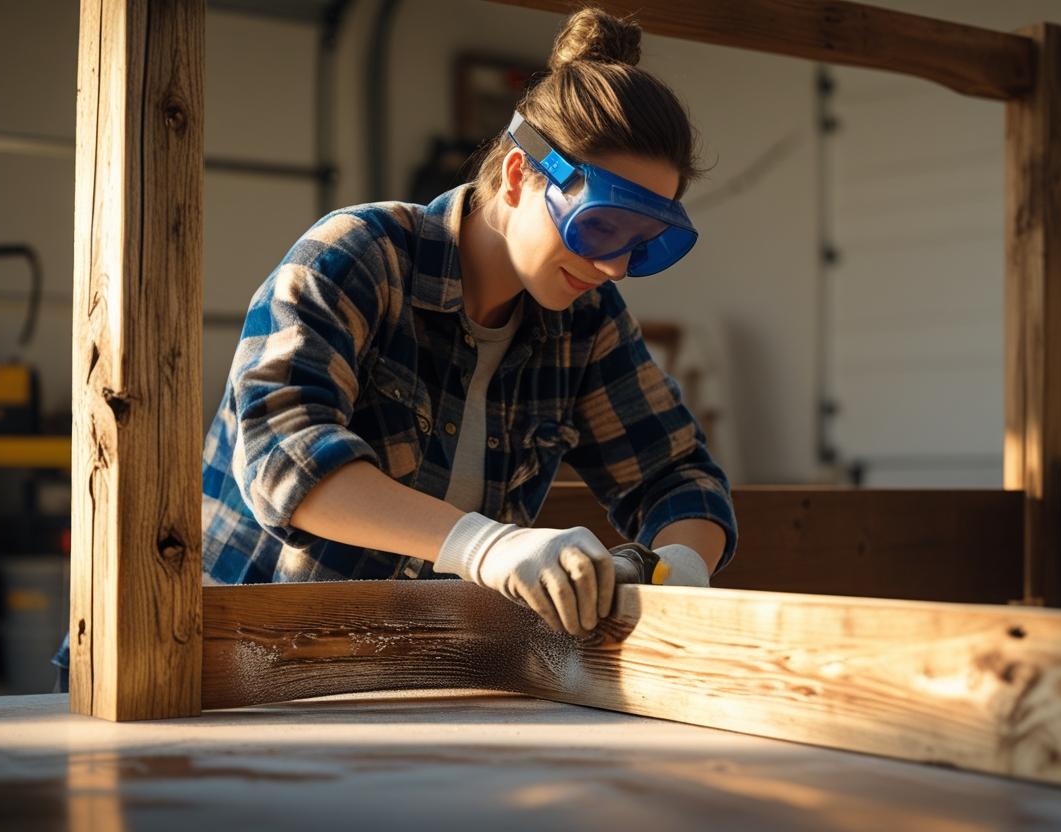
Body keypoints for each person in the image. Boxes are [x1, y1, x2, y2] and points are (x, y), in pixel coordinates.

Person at [51, 7, 737, 691]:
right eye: (602, 227)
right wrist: (485, 546)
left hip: (398, 684)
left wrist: (678, 563)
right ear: (523, 175)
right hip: (202, 674)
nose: (615, 266)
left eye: (641, 244)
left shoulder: (586, 321)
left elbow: (679, 476)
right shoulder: (359, 256)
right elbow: (282, 456)